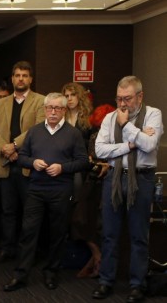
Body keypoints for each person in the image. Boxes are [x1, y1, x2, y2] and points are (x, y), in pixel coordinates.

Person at [2, 93, 89, 292]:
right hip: (36, 189)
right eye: (49, 107)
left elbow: (83, 162)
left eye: (57, 108)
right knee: (28, 231)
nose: (52, 111)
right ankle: (21, 275)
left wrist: (62, 167)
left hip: (61, 189)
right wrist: (32, 162)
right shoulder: (34, 131)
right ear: (44, 109)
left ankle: (51, 272)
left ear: (64, 111)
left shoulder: (73, 133)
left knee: (57, 233)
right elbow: (21, 157)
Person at [92, 76, 163, 302]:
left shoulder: (153, 114)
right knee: (110, 234)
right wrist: (131, 143)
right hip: (113, 178)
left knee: (139, 236)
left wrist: (126, 126)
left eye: (127, 99)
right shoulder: (109, 117)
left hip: (141, 180)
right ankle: (106, 282)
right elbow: (100, 151)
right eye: (119, 99)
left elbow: (150, 145)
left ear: (139, 96)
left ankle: (137, 285)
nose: (122, 104)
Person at [0, 61, 46, 264]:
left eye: (24, 75)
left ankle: (27, 253)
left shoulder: (40, 101)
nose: (20, 78)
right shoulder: (2, 102)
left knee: (29, 213)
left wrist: (13, 146)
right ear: (12, 79)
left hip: (28, 165)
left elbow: (37, 129)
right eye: (17, 75)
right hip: (5, 164)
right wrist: (4, 148)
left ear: (30, 79)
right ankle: (7, 249)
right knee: (8, 211)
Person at [72, 104, 116, 279]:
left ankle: (99, 262)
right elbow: (91, 161)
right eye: (99, 124)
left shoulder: (120, 137)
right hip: (92, 182)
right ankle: (97, 256)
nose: (101, 127)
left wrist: (108, 165)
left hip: (111, 183)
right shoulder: (95, 137)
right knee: (78, 220)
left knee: (102, 224)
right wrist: (99, 164)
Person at [61, 82, 98, 278]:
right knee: (68, 214)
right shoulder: (61, 117)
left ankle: (95, 255)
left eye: (73, 95)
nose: (69, 99)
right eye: (66, 95)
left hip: (82, 172)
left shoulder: (89, 120)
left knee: (79, 214)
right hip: (63, 170)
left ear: (80, 97)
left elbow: (93, 146)